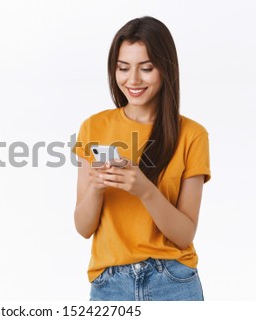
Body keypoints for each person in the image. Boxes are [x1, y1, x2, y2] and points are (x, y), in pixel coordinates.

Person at [73, 16, 211, 301]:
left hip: (173, 281)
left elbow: (184, 234)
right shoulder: (93, 127)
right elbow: (83, 227)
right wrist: (97, 188)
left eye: (146, 68)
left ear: (165, 68)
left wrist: (145, 190)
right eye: (123, 68)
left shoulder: (192, 135)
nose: (132, 80)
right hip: (109, 285)